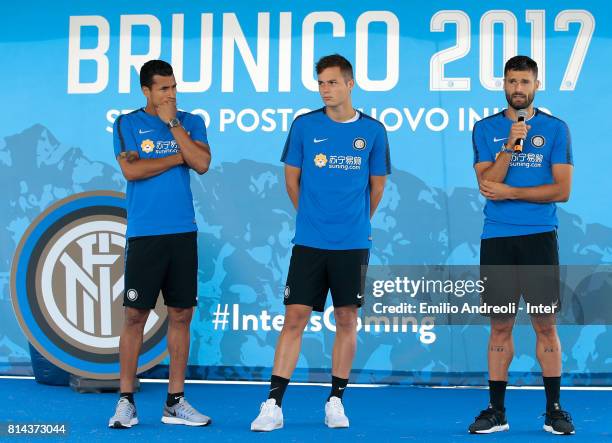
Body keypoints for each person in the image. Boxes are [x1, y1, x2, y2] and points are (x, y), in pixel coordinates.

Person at [250, 54, 391, 432]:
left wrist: (354, 222)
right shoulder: (304, 126)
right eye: (321, 83)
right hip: (310, 242)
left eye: (332, 82)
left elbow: (376, 188)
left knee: (347, 319)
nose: (325, 89)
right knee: (294, 318)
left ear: (349, 84)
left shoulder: (374, 132)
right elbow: (291, 182)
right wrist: (314, 218)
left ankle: (336, 400)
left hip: (352, 244)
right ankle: (273, 404)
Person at [469, 55, 574, 435]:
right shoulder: (485, 129)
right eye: (512, 82)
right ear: (504, 85)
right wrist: (511, 148)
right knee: (500, 325)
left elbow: (561, 190)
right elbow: (487, 186)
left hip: (538, 240)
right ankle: (496, 411)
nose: (518, 89)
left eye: (524, 82)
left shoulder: (556, 129)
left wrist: (512, 190)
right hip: (497, 239)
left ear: (535, 85)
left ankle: (554, 409)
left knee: (545, 324)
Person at [108, 60, 212, 428]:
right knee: (134, 315)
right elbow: (132, 171)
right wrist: (175, 156)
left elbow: (200, 162)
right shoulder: (127, 123)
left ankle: (175, 402)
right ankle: (125, 402)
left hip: (182, 231)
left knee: (181, 314)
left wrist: (173, 125)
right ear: (146, 91)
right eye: (163, 89)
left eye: (174, 87)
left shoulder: (191, 121)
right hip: (145, 232)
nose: (171, 94)